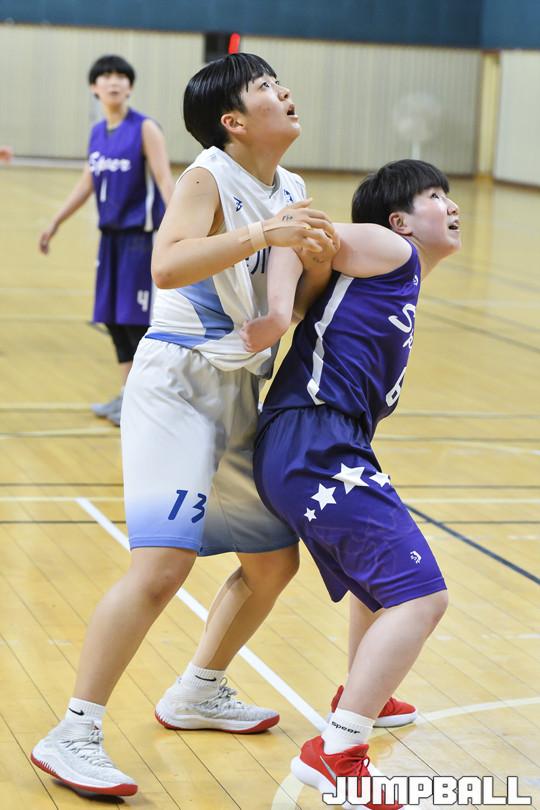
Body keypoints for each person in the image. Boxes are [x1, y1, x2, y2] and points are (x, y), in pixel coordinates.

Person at [31, 52, 337, 797]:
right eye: (265, 87)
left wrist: (312, 274)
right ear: (234, 121)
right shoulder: (207, 176)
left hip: (241, 385)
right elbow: (166, 267)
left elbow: (286, 300)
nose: (283, 91)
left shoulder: (291, 188)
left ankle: (199, 688)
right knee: (163, 567)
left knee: (273, 563)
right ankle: (72, 730)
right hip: (177, 381)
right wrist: (265, 236)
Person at [253, 159, 461, 807]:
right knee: (422, 598)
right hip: (313, 440)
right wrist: (280, 312)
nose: (452, 205)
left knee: (383, 585)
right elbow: (292, 226)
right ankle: (338, 750)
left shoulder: (401, 278)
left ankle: (363, 691)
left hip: (317, 443)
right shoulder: (391, 249)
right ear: (401, 220)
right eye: (436, 196)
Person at [38, 55, 174, 425]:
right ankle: (128, 392)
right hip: (109, 240)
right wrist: (55, 222)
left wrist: (181, 229)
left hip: (140, 239)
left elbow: (164, 179)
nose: (113, 82)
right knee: (112, 319)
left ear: (130, 86)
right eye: (106, 77)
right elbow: (87, 183)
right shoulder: (98, 132)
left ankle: (146, 397)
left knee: (135, 321)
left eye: (120, 77)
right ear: (93, 87)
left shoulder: (145, 128)